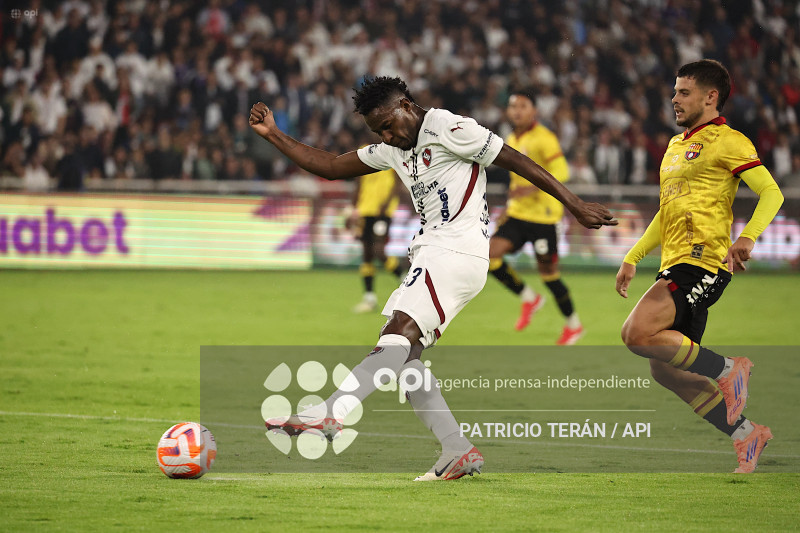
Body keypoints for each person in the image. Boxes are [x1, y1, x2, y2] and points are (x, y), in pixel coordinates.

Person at [250, 76, 616, 481]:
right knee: (407, 358)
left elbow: (516, 160)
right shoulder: (394, 147)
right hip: (439, 254)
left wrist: (575, 205)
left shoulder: (448, 127)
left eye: (388, 125)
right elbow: (333, 167)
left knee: (396, 334)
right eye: (378, 132)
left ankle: (330, 414)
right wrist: (274, 135)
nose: (386, 135)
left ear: (406, 105)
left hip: (454, 251)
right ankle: (456, 449)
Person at [615, 60, 784, 473]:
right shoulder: (675, 147)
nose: (674, 98)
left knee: (635, 333)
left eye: (684, 92)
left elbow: (771, 193)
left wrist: (747, 237)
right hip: (674, 262)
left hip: (703, 260)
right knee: (664, 370)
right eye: (675, 91)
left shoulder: (729, 141)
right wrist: (633, 257)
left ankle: (729, 369)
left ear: (711, 97)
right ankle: (747, 434)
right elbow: (665, 212)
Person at [488, 89, 584, 344]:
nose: (517, 111)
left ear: (534, 111)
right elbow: (514, 181)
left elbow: (562, 172)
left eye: (523, 106)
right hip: (518, 214)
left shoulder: (545, 138)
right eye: (513, 106)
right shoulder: (510, 137)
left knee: (549, 274)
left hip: (544, 217)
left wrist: (531, 187)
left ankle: (574, 325)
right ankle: (529, 298)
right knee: (490, 256)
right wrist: (507, 208)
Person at [347, 167, 406, 313]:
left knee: (378, 250)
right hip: (365, 211)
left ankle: (406, 281)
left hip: (382, 213)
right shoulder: (364, 152)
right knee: (367, 253)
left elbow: (398, 183)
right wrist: (352, 208)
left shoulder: (391, 153)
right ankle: (369, 299)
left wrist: (388, 202)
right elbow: (359, 183)